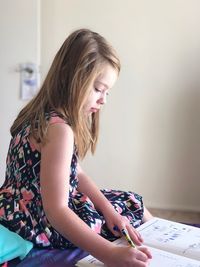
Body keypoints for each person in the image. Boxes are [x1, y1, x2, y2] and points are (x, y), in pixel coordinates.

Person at [0, 28, 153, 267]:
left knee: (118, 206)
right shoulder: (59, 130)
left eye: (107, 92)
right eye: (98, 89)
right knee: (131, 204)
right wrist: (109, 254)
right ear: (71, 78)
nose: (104, 100)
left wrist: (108, 209)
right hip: (37, 222)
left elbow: (77, 173)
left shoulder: (38, 116)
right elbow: (57, 211)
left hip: (12, 210)